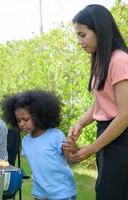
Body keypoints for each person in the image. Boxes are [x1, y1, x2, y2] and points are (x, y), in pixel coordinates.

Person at [66, 4, 128, 200]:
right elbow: (101, 102)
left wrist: (92, 147)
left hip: (121, 137)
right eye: (78, 36)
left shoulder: (119, 60)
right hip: (108, 135)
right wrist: (80, 123)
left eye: (82, 35)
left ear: (99, 31)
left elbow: (125, 115)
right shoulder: (102, 60)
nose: (79, 41)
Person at [0, 89, 78, 200]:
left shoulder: (56, 136)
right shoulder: (26, 141)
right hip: (40, 193)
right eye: (18, 121)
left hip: (62, 193)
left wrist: (74, 149)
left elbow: (72, 160)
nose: (21, 124)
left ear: (39, 115)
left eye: (25, 119)